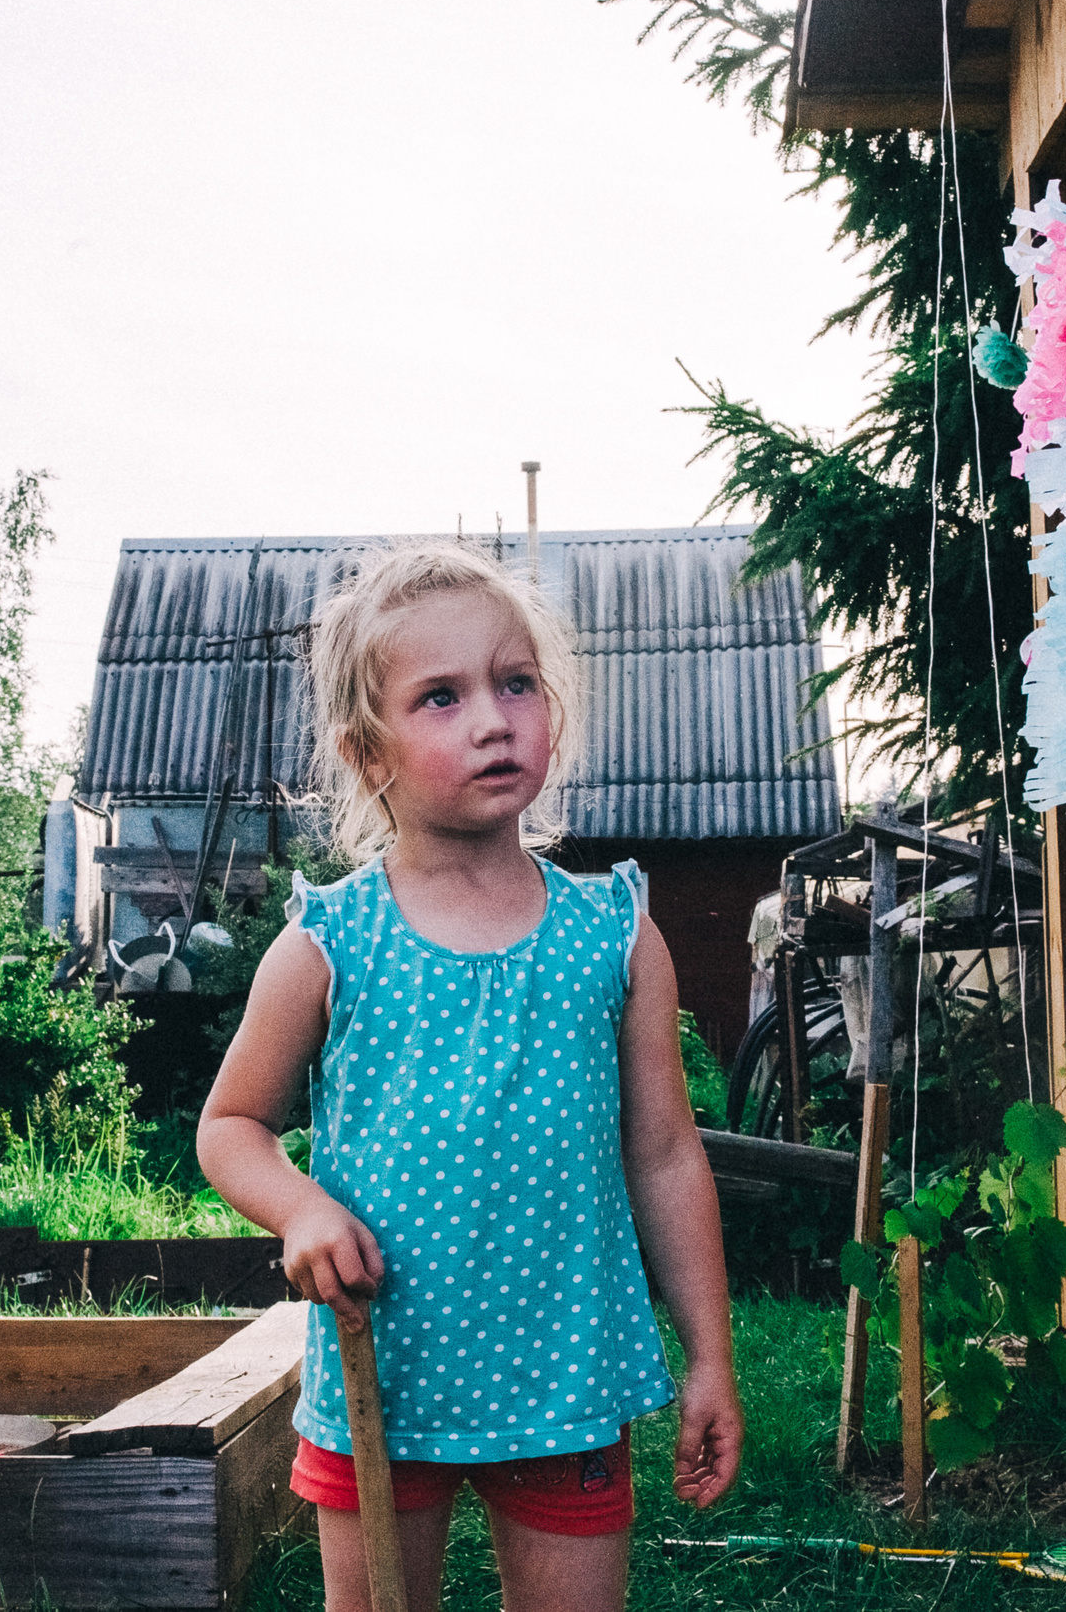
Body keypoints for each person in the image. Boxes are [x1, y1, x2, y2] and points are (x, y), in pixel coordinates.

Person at [198, 543, 743, 1612]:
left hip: (567, 1381)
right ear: (369, 752)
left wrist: (710, 1357)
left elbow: (666, 1156)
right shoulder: (328, 943)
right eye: (440, 697)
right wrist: (300, 1209)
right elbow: (231, 1124)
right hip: (384, 1377)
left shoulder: (614, 933)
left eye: (516, 682)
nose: (494, 719)